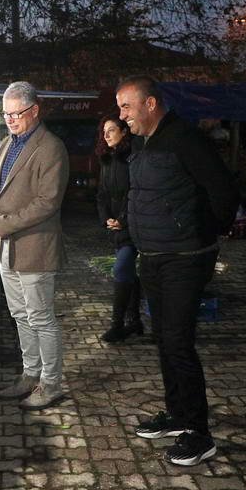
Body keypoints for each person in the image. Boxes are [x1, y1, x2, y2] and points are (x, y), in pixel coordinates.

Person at [116, 75, 238, 466]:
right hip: (153, 256)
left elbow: (222, 189)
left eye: (127, 107)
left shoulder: (185, 138)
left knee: (179, 342)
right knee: (164, 341)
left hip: (184, 258)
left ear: (150, 104)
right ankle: (178, 415)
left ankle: (200, 434)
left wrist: (204, 234)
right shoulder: (144, 142)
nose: (122, 116)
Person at [0, 81, 69, 409]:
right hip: (6, 248)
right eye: (5, 114)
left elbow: (48, 202)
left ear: (34, 111)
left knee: (41, 317)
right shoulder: (8, 143)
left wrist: (3, 225)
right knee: (20, 315)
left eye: (16, 113)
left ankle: (51, 384)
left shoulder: (51, 147)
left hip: (35, 249)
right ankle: (30, 375)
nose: (10, 120)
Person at [94, 114, 144, 343]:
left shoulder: (133, 157)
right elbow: (102, 195)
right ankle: (135, 322)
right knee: (128, 273)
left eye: (111, 130)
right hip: (115, 227)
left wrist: (123, 219)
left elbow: (136, 190)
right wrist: (107, 219)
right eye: (104, 132)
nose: (106, 135)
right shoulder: (106, 159)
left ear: (124, 132)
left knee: (122, 269)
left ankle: (117, 325)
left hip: (134, 224)